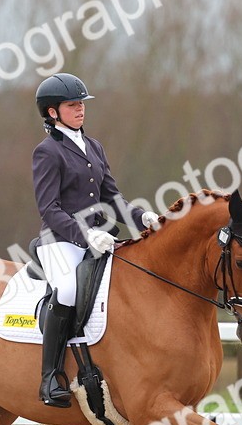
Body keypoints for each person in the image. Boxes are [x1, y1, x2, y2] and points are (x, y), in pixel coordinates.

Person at [31, 72, 159, 407]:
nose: (80, 110)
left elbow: (113, 198)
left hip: (100, 239)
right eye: (72, 105)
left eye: (81, 104)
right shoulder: (47, 152)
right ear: (52, 112)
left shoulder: (94, 146)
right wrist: (86, 235)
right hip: (61, 241)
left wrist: (142, 218)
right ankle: (50, 379)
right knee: (68, 291)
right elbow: (49, 208)